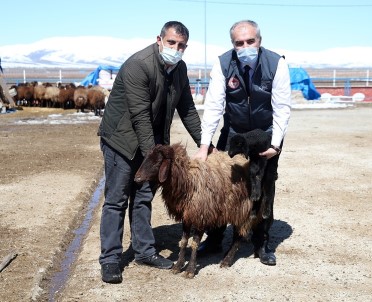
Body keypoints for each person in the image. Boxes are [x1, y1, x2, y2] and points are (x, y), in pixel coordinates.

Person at [98, 21, 202, 284]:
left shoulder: (179, 68)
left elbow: (187, 109)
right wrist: (153, 158)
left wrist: (205, 144)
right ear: (159, 39)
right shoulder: (139, 64)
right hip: (121, 141)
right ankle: (110, 259)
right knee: (117, 199)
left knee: (143, 197)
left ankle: (144, 251)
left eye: (181, 46)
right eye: (171, 43)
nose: (175, 49)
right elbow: (140, 116)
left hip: (151, 144)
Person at [194, 20, 291, 266]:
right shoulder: (223, 63)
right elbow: (214, 105)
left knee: (263, 188)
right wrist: (205, 146)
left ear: (259, 41)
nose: (245, 46)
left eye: (251, 41)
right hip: (234, 133)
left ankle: (262, 242)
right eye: (239, 43)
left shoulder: (276, 64)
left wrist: (276, 145)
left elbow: (282, 108)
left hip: (264, 133)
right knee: (223, 187)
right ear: (233, 44)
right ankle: (215, 239)